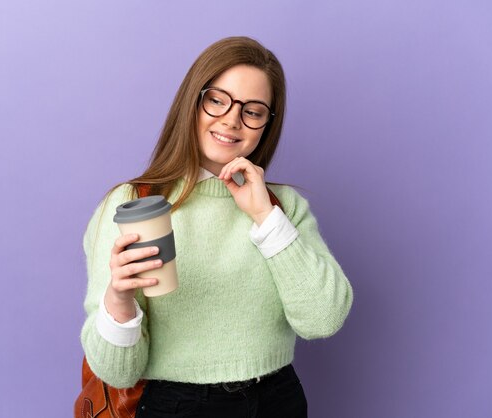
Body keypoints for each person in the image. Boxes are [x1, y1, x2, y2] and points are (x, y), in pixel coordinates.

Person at [80, 36, 353, 418]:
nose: (231, 119)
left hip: (277, 400)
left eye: (253, 111)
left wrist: (264, 216)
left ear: (265, 126)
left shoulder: (283, 206)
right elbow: (116, 373)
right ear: (193, 101)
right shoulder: (132, 204)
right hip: (176, 406)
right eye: (217, 99)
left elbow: (323, 319)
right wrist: (118, 300)